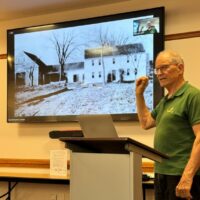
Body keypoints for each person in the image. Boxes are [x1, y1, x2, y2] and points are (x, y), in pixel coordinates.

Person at [135, 50, 200, 200]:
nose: (159, 73)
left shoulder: (193, 96)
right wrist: (139, 94)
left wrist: (187, 177)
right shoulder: (166, 100)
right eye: (157, 69)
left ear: (180, 68)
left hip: (181, 175)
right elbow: (145, 123)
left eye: (164, 67)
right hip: (161, 173)